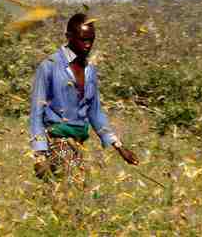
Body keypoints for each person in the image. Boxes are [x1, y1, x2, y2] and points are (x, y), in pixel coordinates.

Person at [30, 13, 138, 182]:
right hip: (58, 140)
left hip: (79, 142)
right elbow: (37, 112)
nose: (88, 45)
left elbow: (95, 112)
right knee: (74, 187)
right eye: (83, 39)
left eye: (91, 39)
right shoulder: (49, 67)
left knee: (65, 194)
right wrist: (40, 154)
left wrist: (119, 146)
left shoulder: (89, 71)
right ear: (69, 37)